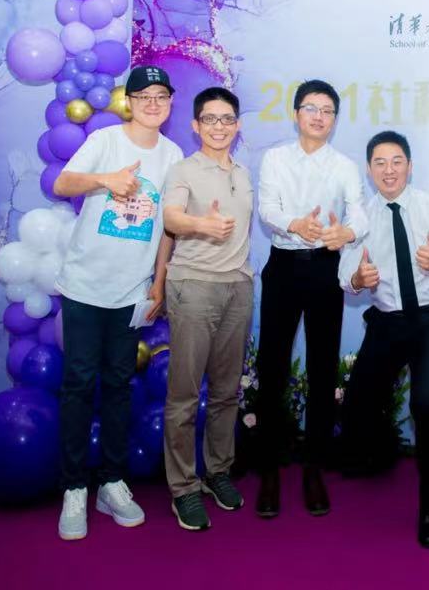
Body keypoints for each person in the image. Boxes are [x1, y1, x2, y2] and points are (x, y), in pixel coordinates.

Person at [53, 65, 185, 541]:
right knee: (78, 384)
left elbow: (168, 226)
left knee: (118, 386)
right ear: (129, 101)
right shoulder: (105, 141)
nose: (153, 103)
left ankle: (110, 482)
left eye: (161, 95)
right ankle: (73, 488)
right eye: (143, 95)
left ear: (170, 103)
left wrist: (159, 281)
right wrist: (106, 180)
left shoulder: (173, 155)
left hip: (132, 291)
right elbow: (62, 184)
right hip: (85, 285)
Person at [338, 131, 429, 548]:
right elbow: (344, 274)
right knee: (358, 403)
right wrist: (358, 278)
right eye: (379, 162)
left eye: (397, 161)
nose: (388, 170)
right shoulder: (360, 217)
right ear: (369, 169)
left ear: (410, 166)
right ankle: (378, 456)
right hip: (388, 320)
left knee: (428, 405)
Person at [255, 79, 368, 518]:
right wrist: (294, 224)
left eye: (327, 111)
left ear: (334, 119)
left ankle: (313, 468)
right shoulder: (275, 158)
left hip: (324, 269)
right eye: (311, 108)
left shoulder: (344, 165)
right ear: (296, 114)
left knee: (322, 369)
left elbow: (359, 212)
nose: (319, 117)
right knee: (273, 368)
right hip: (283, 266)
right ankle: (268, 470)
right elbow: (267, 207)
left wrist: (347, 232)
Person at [154, 87, 252, 531]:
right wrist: (201, 225)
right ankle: (183, 489)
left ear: (237, 125)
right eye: (209, 119)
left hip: (238, 288)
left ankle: (217, 472)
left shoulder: (244, 173)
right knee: (185, 395)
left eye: (226, 119)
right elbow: (171, 218)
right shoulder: (183, 169)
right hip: (193, 287)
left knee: (227, 392)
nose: (219, 126)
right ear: (195, 126)